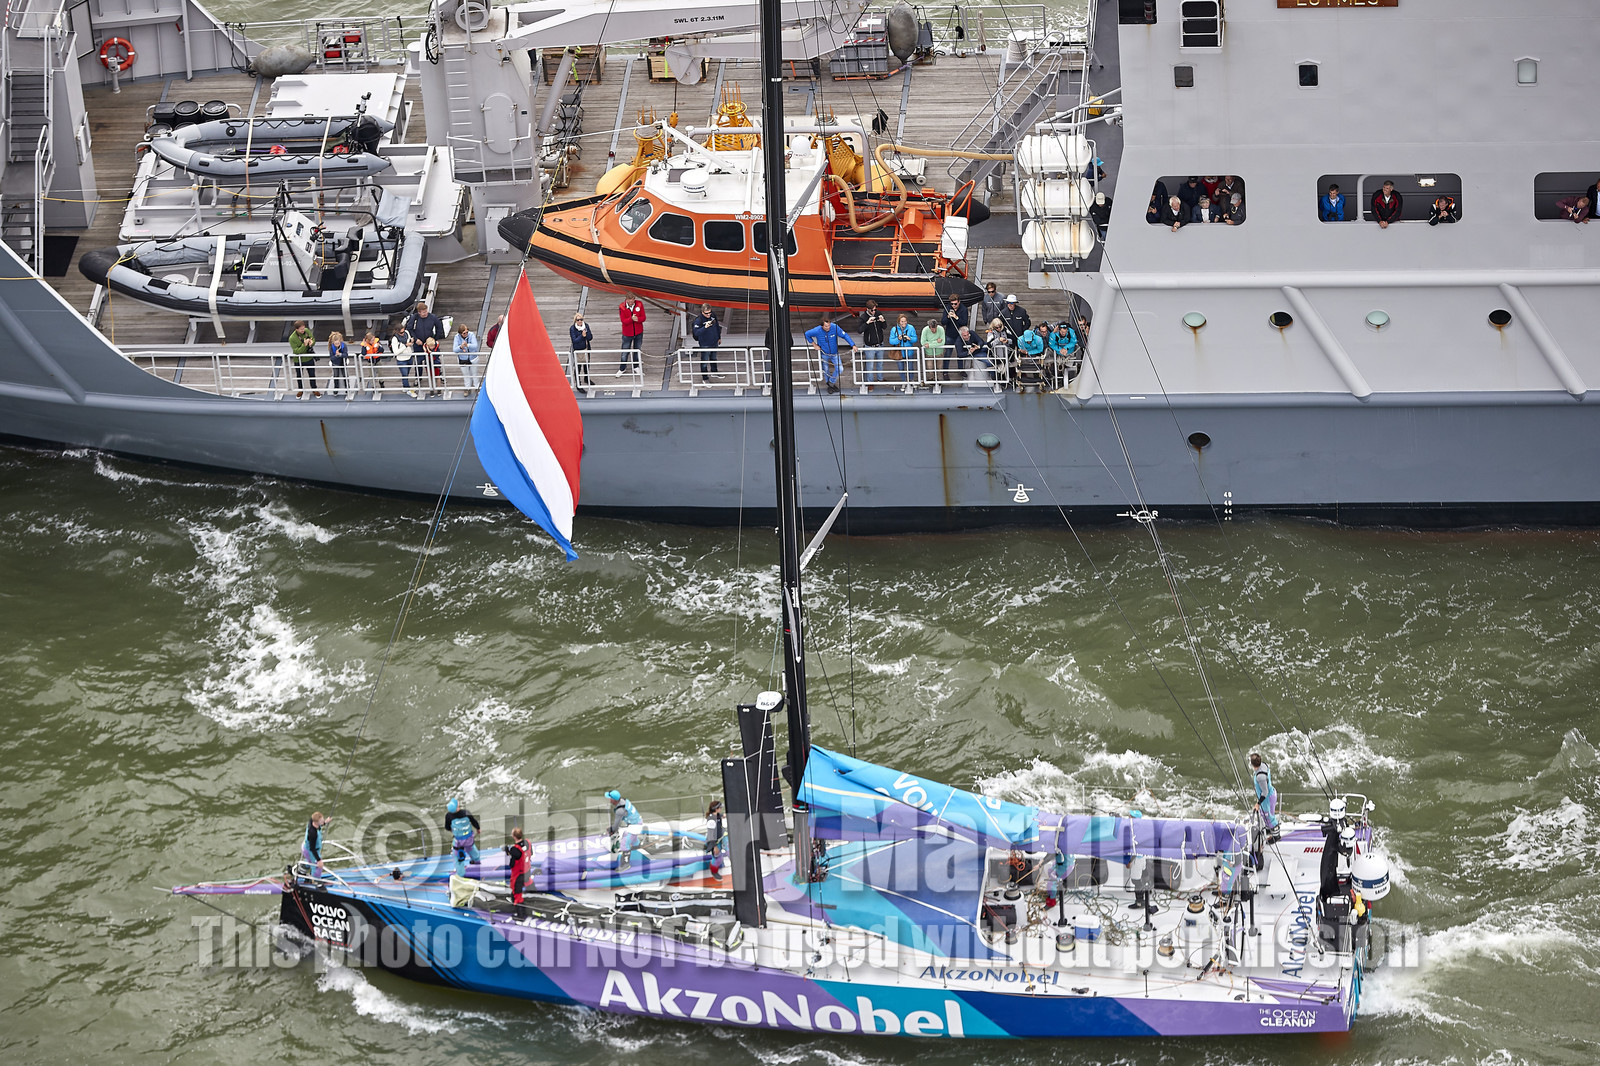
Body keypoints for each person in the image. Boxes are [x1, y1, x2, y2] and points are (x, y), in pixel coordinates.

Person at [803, 314, 854, 393]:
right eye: (826, 326)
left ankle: (831, 383)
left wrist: (852, 345)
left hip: (834, 353)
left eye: (829, 326)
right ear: (822, 326)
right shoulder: (817, 330)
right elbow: (807, 334)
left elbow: (845, 335)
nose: (828, 328)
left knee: (840, 369)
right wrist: (814, 344)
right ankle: (829, 385)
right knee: (826, 370)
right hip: (824, 354)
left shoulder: (834, 327)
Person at [444, 798, 480, 878]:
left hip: (458, 841)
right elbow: (474, 821)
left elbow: (447, 827)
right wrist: (478, 828)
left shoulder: (449, 816)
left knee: (457, 857)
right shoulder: (466, 812)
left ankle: (461, 875)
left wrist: (454, 831)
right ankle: (477, 861)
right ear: (457, 807)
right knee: (472, 849)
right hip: (469, 839)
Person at [607, 789, 643, 868]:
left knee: (624, 843)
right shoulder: (623, 801)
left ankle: (625, 864)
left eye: (609, 798)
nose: (608, 800)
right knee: (630, 836)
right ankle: (637, 846)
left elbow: (616, 824)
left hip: (635, 826)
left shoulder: (620, 810)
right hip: (636, 822)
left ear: (613, 800)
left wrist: (611, 830)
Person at [856, 299, 887, 386]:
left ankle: (880, 378)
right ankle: (870, 382)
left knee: (880, 363)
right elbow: (859, 330)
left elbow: (885, 327)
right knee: (870, 365)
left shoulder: (878, 313)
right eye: (872, 310)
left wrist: (883, 321)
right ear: (868, 309)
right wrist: (867, 323)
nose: (874, 312)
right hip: (870, 346)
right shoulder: (863, 317)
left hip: (880, 344)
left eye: (875, 309)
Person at [1249, 753, 1280, 837]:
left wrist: (1258, 804)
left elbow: (1265, 792)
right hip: (1270, 794)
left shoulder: (1260, 777)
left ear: (1252, 764)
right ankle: (1269, 829)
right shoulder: (1264, 765)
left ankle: (1276, 835)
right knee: (1266, 815)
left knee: (1269, 817)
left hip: (1267, 799)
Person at [690, 304, 722, 378]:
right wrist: (705, 327)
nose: (708, 314)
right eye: (706, 313)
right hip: (705, 344)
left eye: (709, 312)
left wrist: (719, 337)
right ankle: (705, 378)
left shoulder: (713, 316)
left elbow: (717, 326)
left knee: (714, 358)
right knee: (704, 361)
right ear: (702, 312)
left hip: (714, 341)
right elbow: (696, 333)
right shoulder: (698, 320)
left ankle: (714, 372)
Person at [288, 321, 318, 398]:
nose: (303, 330)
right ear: (296, 329)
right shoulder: (292, 338)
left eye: (303, 328)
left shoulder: (307, 331)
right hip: (299, 360)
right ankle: (300, 390)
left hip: (309, 358)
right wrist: (304, 345)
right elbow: (296, 351)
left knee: (312, 375)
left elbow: (313, 339)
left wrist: (311, 342)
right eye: (301, 329)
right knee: (299, 376)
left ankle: (314, 389)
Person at [618, 294, 646, 373]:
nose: (631, 301)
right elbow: (624, 321)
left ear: (634, 299)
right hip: (627, 334)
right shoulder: (622, 307)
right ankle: (622, 368)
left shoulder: (639, 304)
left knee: (637, 350)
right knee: (625, 352)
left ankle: (636, 366)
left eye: (632, 299)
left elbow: (643, 318)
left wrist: (637, 319)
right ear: (626, 299)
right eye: (629, 300)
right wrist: (631, 319)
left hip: (638, 332)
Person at [504, 827, 532, 905]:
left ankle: (520, 913)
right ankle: (533, 891)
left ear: (514, 836)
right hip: (528, 870)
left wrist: (508, 852)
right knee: (528, 882)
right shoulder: (528, 843)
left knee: (517, 894)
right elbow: (529, 853)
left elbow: (512, 864)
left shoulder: (514, 849)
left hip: (519, 874)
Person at [888, 313, 918, 384]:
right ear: (898, 322)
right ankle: (904, 381)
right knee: (901, 368)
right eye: (902, 321)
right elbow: (891, 341)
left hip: (909, 351)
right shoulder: (894, 329)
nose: (904, 323)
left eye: (905, 321)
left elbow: (915, 339)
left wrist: (909, 338)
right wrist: (898, 339)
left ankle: (911, 380)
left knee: (910, 368)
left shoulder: (911, 327)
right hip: (899, 352)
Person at [1015, 324, 1046, 390]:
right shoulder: (1020, 340)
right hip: (1024, 355)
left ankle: (1038, 377)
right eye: (1027, 341)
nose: (1029, 342)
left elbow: (1040, 349)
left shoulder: (1038, 339)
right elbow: (1021, 349)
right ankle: (1025, 378)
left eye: (1030, 340)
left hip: (1036, 353)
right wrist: (1024, 352)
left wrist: (1029, 352)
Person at [452, 321, 481, 392]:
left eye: (467, 332)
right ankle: (467, 388)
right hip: (463, 359)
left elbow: (475, 346)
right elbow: (455, 349)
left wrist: (467, 345)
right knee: (466, 375)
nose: (466, 334)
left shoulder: (471, 335)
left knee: (474, 373)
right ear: (460, 333)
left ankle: (476, 387)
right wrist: (460, 347)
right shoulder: (457, 337)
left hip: (473, 358)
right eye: (464, 333)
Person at [569, 312, 594, 387]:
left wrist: (586, 334)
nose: (580, 321)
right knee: (578, 367)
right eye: (578, 320)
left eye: (581, 319)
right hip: (578, 350)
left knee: (586, 365)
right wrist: (582, 336)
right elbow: (574, 340)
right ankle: (578, 382)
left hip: (586, 348)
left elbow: (590, 338)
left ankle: (586, 378)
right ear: (575, 321)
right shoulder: (572, 328)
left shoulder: (586, 326)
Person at [390, 323, 415, 396]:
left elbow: (409, 341)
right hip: (401, 360)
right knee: (404, 375)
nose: (403, 333)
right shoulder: (394, 339)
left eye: (403, 331)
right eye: (401, 332)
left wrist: (411, 341)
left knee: (406, 374)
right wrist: (405, 346)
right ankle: (407, 389)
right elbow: (396, 352)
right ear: (397, 332)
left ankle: (405, 387)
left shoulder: (407, 333)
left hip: (409, 357)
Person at [704, 800, 726, 882]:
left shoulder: (717, 815)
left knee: (719, 856)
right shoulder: (711, 821)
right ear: (716, 809)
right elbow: (711, 835)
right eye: (720, 808)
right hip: (714, 842)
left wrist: (723, 815)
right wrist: (715, 847)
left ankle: (720, 864)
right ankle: (714, 872)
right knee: (716, 858)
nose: (721, 809)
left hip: (719, 839)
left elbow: (720, 815)